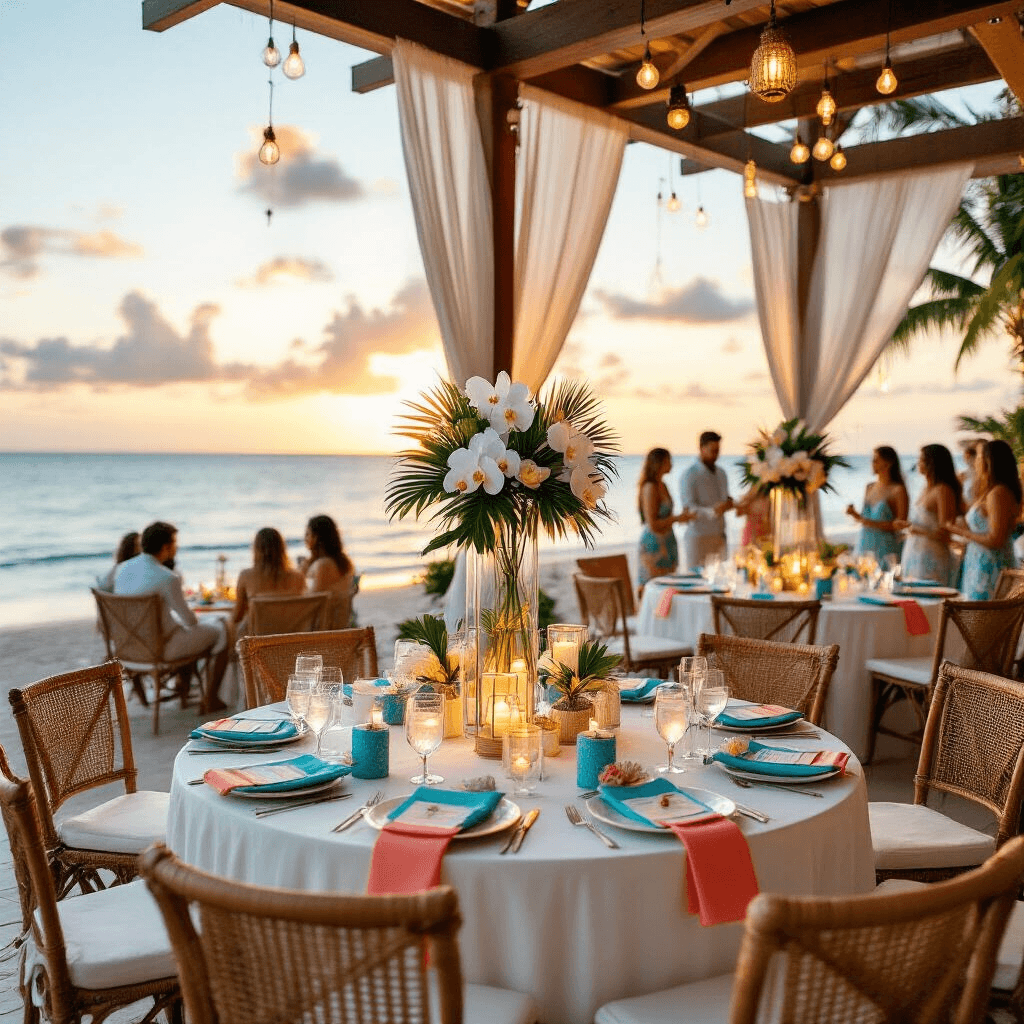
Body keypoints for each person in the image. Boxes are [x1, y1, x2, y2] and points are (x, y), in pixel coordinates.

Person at [115, 521, 229, 712]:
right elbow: (190, 621)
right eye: (175, 543)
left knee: (185, 632)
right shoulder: (167, 577)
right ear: (166, 547)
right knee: (222, 629)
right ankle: (211, 698)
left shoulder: (122, 569)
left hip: (129, 649)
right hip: (161, 650)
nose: (176, 547)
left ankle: (183, 688)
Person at [947, 439, 1022, 600]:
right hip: (978, 563)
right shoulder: (990, 491)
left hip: (989, 567)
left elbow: (996, 539)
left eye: (979, 456)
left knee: (983, 619)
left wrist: (963, 532)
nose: (976, 461)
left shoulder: (998, 493)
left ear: (989, 461)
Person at [893, 445, 962, 585]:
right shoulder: (925, 488)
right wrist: (906, 526)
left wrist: (914, 528)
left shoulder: (943, 490)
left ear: (933, 463)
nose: (918, 463)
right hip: (914, 552)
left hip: (932, 555)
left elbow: (945, 533)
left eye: (922, 460)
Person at [637, 448, 694, 588]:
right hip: (654, 546)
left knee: (669, 591)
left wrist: (682, 517)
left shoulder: (663, 485)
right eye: (669, 461)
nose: (672, 464)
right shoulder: (650, 487)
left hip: (668, 543)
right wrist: (677, 518)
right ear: (659, 463)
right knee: (654, 590)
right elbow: (653, 524)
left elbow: (667, 517)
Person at [232, 527, 306, 634]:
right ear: (282, 549)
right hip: (289, 638)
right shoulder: (298, 577)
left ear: (256, 549)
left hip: (256, 641)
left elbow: (237, 616)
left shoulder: (246, 576)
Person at [679, 430, 733, 571]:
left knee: (722, 580)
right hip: (698, 538)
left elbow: (724, 498)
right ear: (702, 449)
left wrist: (728, 503)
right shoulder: (689, 474)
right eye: (712, 451)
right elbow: (688, 507)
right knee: (696, 582)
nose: (716, 455)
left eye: (718, 451)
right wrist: (712, 511)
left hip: (720, 535)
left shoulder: (722, 473)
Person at [846, 446, 908, 564]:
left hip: (886, 548)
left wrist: (866, 522)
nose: (872, 464)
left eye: (875, 460)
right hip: (865, 543)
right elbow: (865, 518)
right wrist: (854, 514)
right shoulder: (869, 487)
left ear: (888, 463)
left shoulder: (898, 490)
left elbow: (901, 525)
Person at [302, 514, 357, 629]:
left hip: (325, 628)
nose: (304, 538)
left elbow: (313, 603)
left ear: (316, 537)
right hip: (338, 624)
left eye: (307, 534)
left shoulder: (324, 565)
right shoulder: (342, 561)